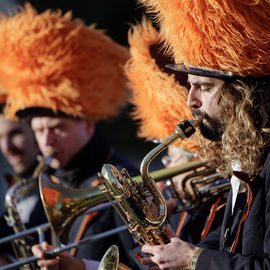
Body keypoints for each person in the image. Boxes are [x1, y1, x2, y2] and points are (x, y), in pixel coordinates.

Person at [0, 4, 139, 268]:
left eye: (56, 128)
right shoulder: (43, 181)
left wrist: (80, 267)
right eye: (39, 131)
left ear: (86, 124)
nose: (47, 142)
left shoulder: (123, 179)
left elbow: (147, 264)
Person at [135, 0, 270, 269]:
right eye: (190, 86)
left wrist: (194, 259)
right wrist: (175, 251)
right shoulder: (245, 158)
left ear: (243, 94)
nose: (190, 101)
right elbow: (234, 249)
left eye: (204, 87)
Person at [125, 18, 227, 249]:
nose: (167, 164)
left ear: (199, 160)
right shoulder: (182, 204)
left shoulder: (221, 200)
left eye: (174, 157)